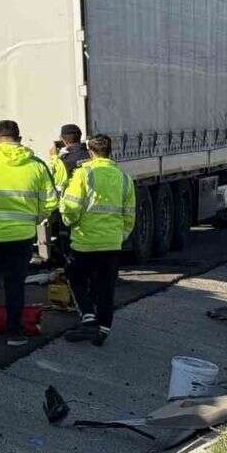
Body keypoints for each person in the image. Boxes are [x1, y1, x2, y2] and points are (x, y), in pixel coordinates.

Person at [0, 120, 57, 347]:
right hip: (22, 235)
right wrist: (35, 218)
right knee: (15, 284)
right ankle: (15, 332)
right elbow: (51, 200)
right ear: (19, 138)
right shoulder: (36, 165)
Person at [59, 135, 135, 346]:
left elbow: (72, 206)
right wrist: (121, 236)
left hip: (85, 241)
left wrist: (67, 220)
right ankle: (103, 331)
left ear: (90, 152)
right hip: (111, 243)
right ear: (110, 152)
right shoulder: (124, 178)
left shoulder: (84, 173)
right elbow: (130, 214)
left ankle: (89, 318)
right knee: (106, 287)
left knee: (75, 277)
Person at [51, 124, 90, 191]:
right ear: (80, 136)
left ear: (63, 140)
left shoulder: (64, 160)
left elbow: (57, 180)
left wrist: (54, 157)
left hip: (74, 195)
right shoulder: (91, 154)